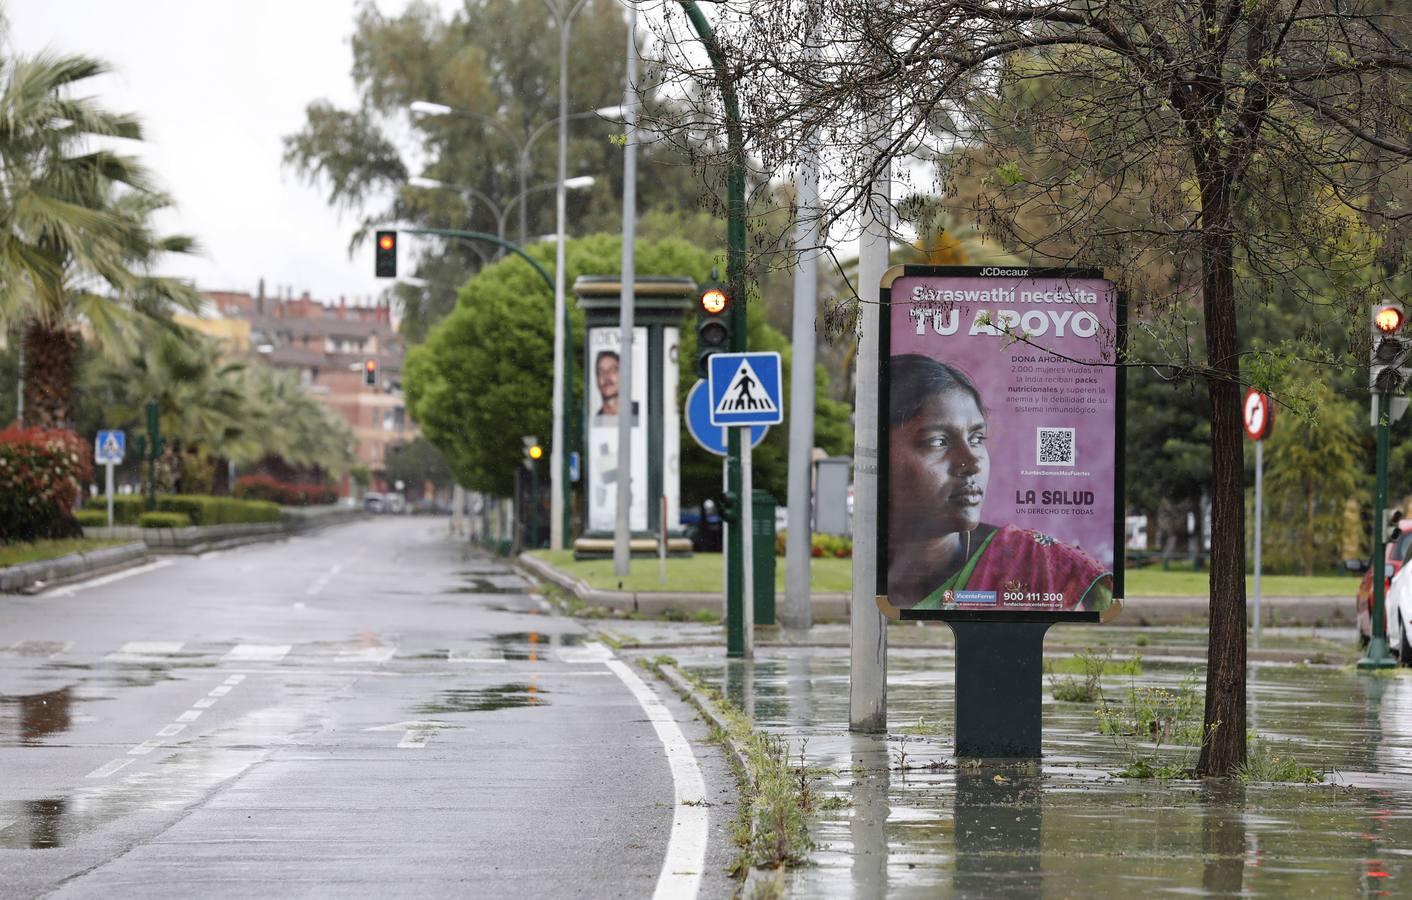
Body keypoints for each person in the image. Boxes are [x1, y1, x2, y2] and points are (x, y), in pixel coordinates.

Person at [887, 353, 1113, 612]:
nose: (973, 463)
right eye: (938, 442)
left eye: (976, 438)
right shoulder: (870, 573)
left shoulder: (1042, 567)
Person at [594, 349, 639, 419]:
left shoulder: (639, 412)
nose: (606, 376)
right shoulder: (596, 420)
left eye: (612, 370)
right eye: (601, 371)